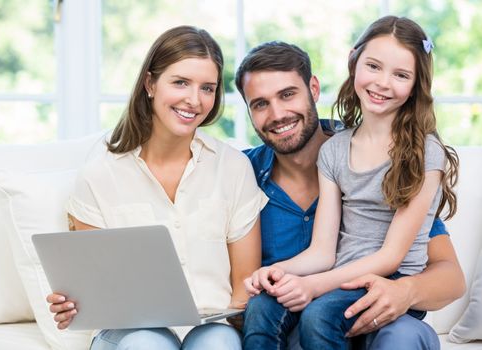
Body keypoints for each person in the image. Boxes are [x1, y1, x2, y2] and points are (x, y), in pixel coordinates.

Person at [236, 17, 465, 350]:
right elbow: (323, 252)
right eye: (260, 103)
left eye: (288, 94)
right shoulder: (329, 153)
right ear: (354, 63)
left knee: (322, 316)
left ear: (313, 89)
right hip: (335, 283)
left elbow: (402, 260)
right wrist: (274, 273)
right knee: (263, 307)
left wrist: (315, 285)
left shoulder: (421, 153)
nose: (383, 83)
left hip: (380, 284)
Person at [45, 25, 267, 350]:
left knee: (218, 344)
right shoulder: (99, 175)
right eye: (180, 83)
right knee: (149, 344)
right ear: (150, 83)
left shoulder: (233, 167)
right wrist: (73, 307)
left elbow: (243, 288)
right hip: (127, 332)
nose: (194, 100)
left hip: (210, 327)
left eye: (207, 88)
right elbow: (93, 290)